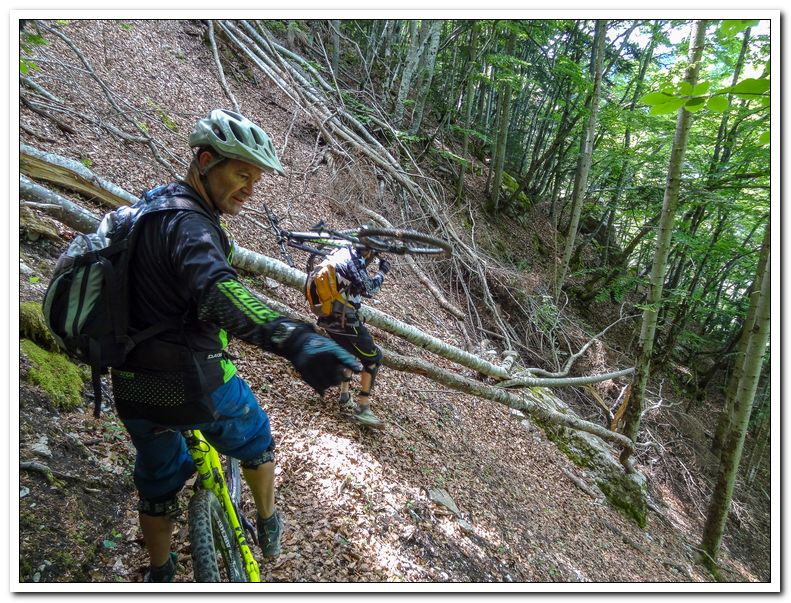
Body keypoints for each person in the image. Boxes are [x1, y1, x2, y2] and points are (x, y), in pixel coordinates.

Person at [110, 109, 361, 582]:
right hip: (195, 384)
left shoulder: (144, 212)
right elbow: (218, 290)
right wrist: (295, 338)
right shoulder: (193, 227)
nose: (250, 187)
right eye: (242, 173)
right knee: (258, 438)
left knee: (156, 483)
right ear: (205, 160)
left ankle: (160, 573)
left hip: (129, 383)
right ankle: (268, 521)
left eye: (256, 178)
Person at [306, 242, 390, 427]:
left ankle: (344, 396)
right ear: (368, 251)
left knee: (350, 352)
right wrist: (382, 272)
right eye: (372, 254)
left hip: (326, 316)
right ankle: (363, 408)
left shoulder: (341, 251)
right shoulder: (354, 262)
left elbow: (358, 288)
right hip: (344, 319)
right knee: (374, 358)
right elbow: (370, 289)